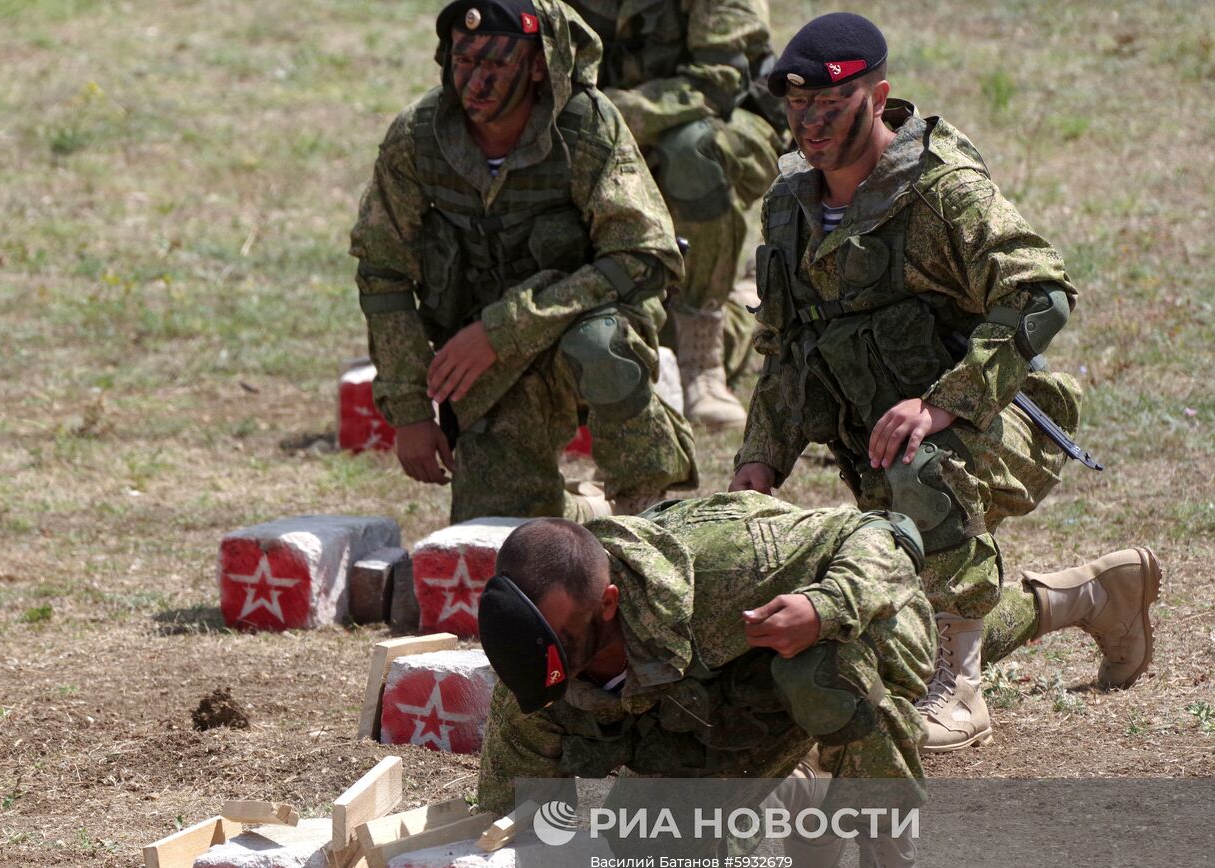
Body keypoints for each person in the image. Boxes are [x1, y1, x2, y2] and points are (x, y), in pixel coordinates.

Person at [728, 12, 1161, 751]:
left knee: (922, 495)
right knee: (886, 646)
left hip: (993, 424)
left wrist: (940, 405)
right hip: (886, 449)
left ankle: (957, 690)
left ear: (879, 95)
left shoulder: (939, 189)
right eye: (797, 107)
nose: (811, 123)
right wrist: (757, 467)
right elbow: (786, 351)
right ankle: (1090, 596)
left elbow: (1042, 293)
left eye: (831, 105)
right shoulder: (789, 209)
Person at [476, 492, 941, 868]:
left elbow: (887, 531)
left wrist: (826, 606)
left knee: (826, 668)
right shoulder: (531, 663)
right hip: (712, 732)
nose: (549, 661)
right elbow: (514, 812)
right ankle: (798, 794)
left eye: (563, 643)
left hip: (835, 663)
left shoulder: (730, 566)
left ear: (609, 603)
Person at [350, 0, 697, 523]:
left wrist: (503, 330)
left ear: (539, 66)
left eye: (495, 66)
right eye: (463, 63)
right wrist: (411, 414)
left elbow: (645, 255)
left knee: (600, 347)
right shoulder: (418, 138)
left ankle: (643, 507)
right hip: (486, 365)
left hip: (583, 328)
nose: (475, 84)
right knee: (504, 530)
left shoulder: (585, 127)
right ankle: (588, 515)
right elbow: (384, 275)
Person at [565, 0, 790, 429]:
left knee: (691, 152)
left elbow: (718, 82)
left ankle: (702, 360)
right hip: (609, 129)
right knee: (638, 348)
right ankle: (749, 296)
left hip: (726, 124)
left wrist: (611, 117)